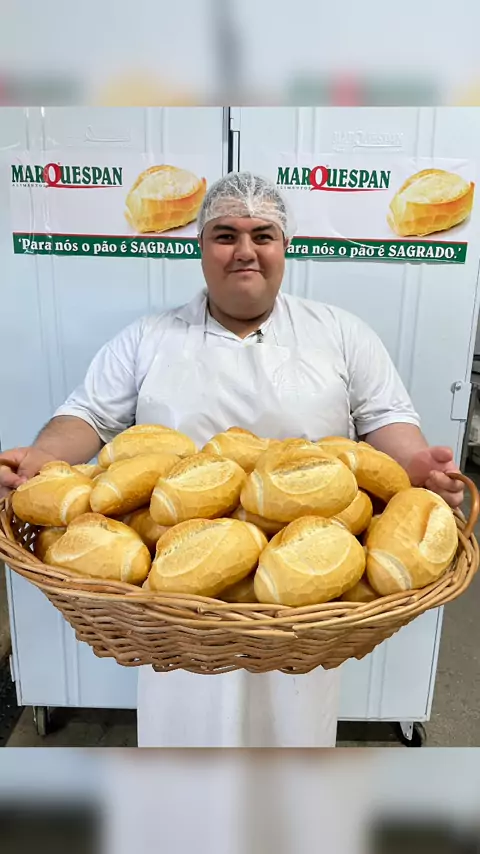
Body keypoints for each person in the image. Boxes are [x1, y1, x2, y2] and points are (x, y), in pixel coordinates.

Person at [0, 172, 463, 747]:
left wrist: (416, 464)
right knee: (184, 737)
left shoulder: (340, 333)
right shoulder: (149, 337)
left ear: (285, 245)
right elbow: (89, 415)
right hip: (177, 604)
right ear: (200, 246)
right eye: (225, 235)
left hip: (303, 604)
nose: (245, 250)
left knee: (293, 736)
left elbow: (384, 416)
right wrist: (41, 458)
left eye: (262, 235)